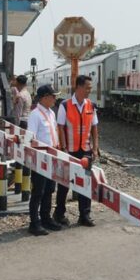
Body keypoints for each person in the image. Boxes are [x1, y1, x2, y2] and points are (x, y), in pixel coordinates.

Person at [53, 75, 100, 227]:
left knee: (86, 183)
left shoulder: (91, 106)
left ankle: (84, 215)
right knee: (64, 183)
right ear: (78, 87)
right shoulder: (65, 105)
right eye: (87, 88)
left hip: (85, 150)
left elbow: (94, 127)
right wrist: (63, 147)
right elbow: (60, 127)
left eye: (90, 88)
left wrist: (95, 146)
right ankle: (59, 214)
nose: (89, 91)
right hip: (69, 150)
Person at [25, 85, 64, 236]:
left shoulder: (51, 113)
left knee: (49, 189)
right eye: (53, 96)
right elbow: (31, 137)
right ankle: (34, 223)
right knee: (38, 191)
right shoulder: (35, 115)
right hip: (40, 157)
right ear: (44, 97)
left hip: (52, 156)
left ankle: (46, 218)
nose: (55, 99)